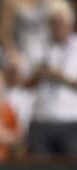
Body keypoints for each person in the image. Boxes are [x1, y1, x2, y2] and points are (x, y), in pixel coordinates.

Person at [26, 0, 77, 156]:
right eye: (53, 23)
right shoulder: (39, 45)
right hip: (42, 118)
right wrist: (41, 73)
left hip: (70, 119)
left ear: (70, 23)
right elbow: (26, 84)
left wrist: (62, 77)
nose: (57, 27)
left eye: (60, 22)